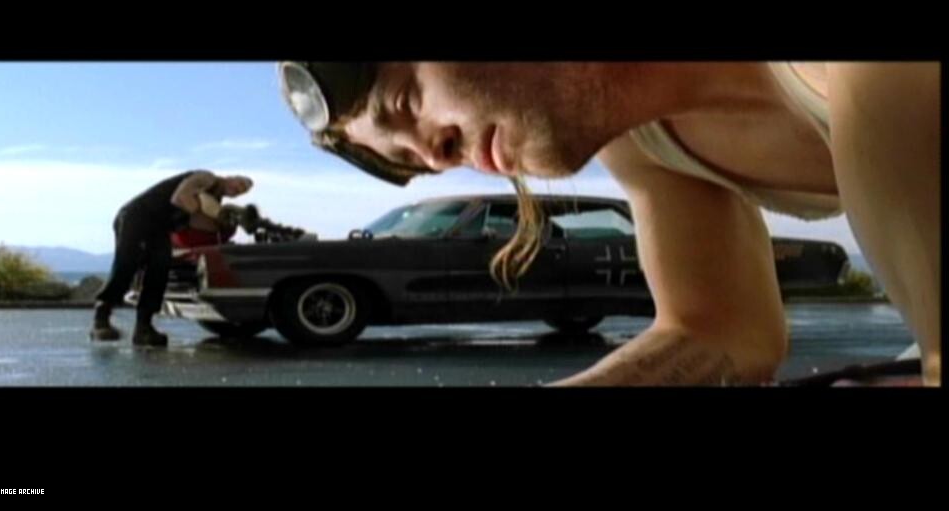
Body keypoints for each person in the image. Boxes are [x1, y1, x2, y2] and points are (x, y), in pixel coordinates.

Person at [277, 62, 940, 386]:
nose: (436, 153)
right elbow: (718, 330)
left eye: (406, 101)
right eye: (410, 160)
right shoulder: (646, 145)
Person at [90, 170, 253, 346]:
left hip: (160, 226)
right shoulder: (206, 178)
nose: (238, 190)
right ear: (230, 177)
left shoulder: (215, 200)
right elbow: (180, 198)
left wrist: (226, 222)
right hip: (136, 216)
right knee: (127, 264)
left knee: (159, 270)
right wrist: (210, 210)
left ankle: (144, 329)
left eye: (242, 191)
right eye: (240, 184)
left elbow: (198, 225)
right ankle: (101, 320)